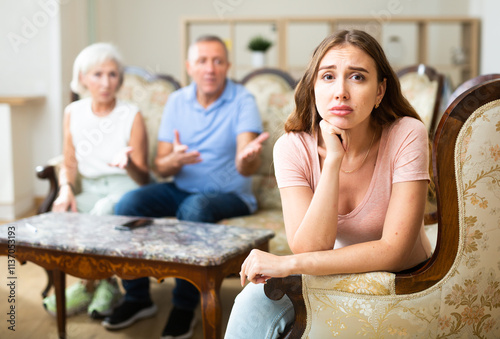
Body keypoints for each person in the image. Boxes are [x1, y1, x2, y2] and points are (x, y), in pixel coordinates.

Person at [224, 29, 433, 338]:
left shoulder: (406, 134)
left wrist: (287, 264)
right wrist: (333, 161)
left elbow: (395, 251)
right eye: (328, 77)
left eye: (358, 77)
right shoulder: (292, 148)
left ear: (379, 91)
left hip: (404, 281)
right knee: (252, 302)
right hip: (338, 276)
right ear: (313, 87)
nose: (341, 92)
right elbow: (311, 246)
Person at [102, 35, 269, 339]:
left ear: (227, 66)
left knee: (194, 207)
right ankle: (137, 298)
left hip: (230, 195)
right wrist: (174, 160)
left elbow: (248, 163)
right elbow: (160, 166)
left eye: (218, 61)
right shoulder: (177, 101)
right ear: (189, 67)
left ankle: (183, 305)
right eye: (202, 61)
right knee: (127, 204)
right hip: (181, 188)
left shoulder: (243, 99)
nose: (210, 68)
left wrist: (247, 159)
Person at [43, 42, 150, 319]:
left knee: (103, 211)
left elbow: (145, 177)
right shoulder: (73, 112)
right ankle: (91, 286)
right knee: (65, 214)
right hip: (90, 187)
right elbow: (69, 162)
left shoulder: (131, 114)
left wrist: (129, 165)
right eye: (98, 74)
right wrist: (66, 188)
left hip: (125, 188)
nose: (106, 82)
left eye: (113, 74)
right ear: (82, 79)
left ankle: (101, 285)